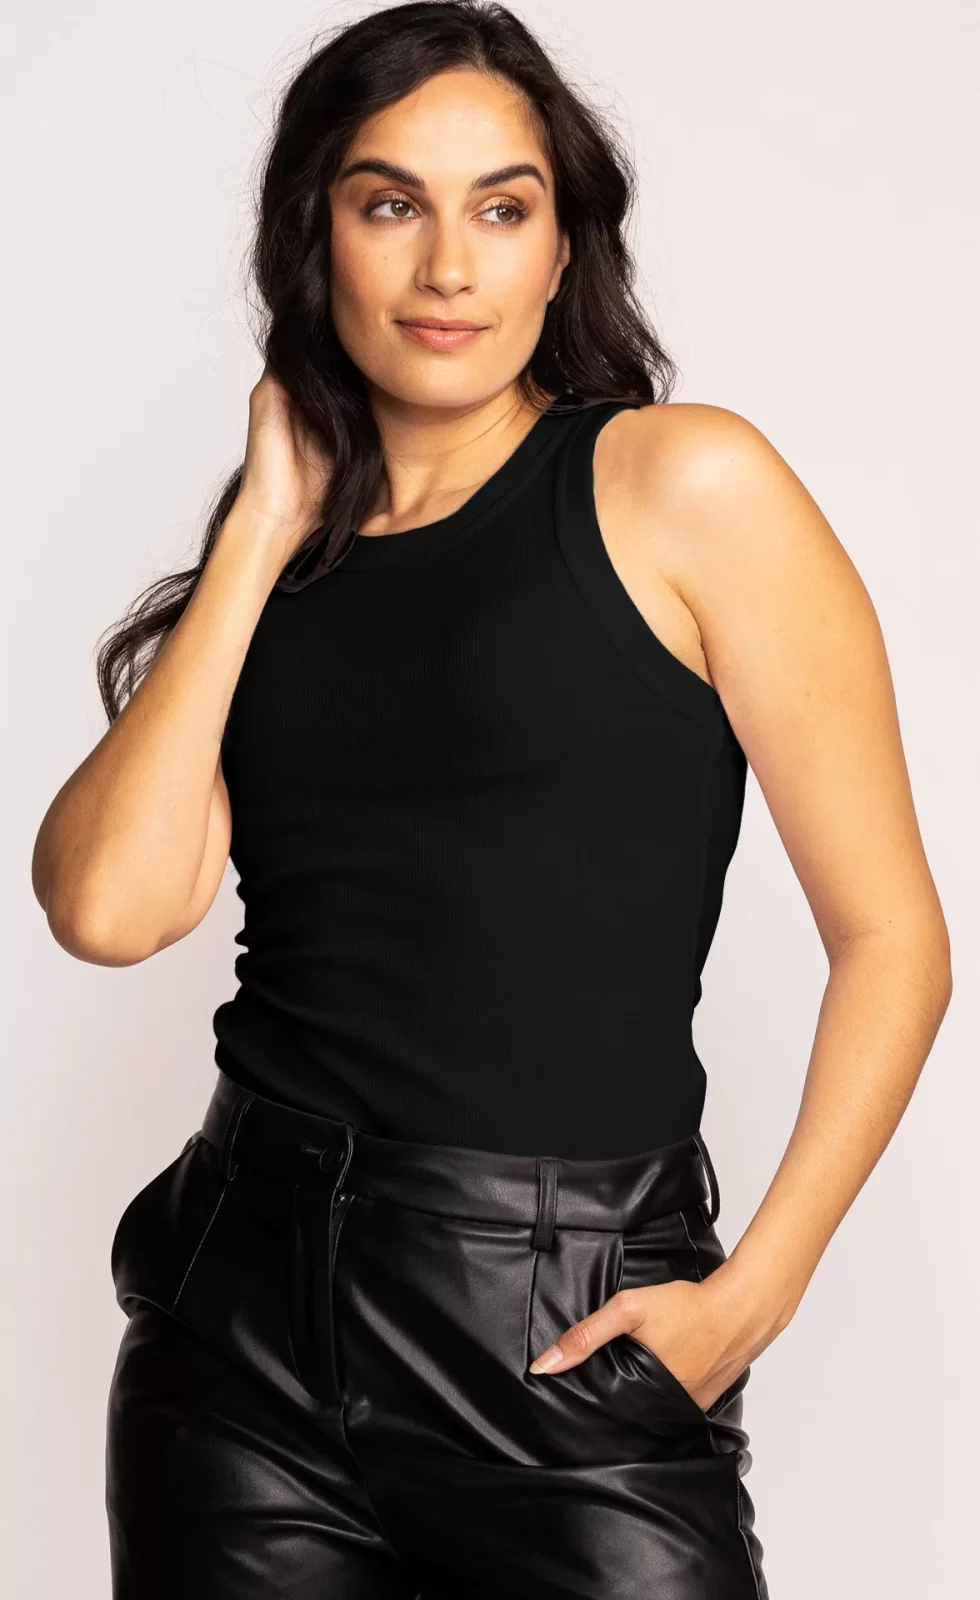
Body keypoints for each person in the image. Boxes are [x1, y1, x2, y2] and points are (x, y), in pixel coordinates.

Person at [31, 3, 951, 1596]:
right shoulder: (283, 566)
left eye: (502, 208)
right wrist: (259, 527)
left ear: (561, 245)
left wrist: (757, 1292)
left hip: (566, 1337)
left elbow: (894, 940)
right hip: (236, 1343)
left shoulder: (684, 485)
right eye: (391, 203)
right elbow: (106, 910)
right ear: (313, 236)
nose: (448, 265)